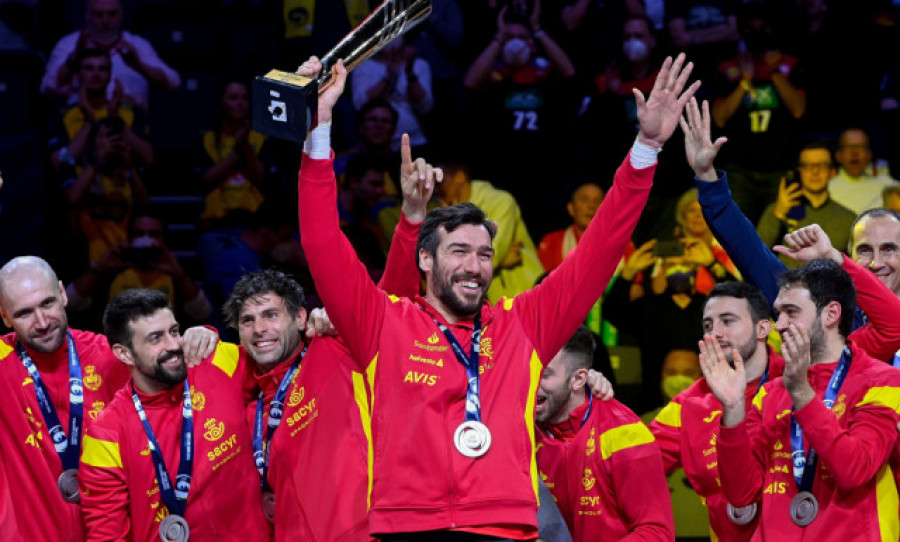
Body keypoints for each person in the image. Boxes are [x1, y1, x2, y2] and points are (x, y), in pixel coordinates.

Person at [296, 51, 698, 539]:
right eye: (459, 252)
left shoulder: (521, 324)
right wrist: (318, 131)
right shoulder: (385, 322)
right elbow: (321, 242)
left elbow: (600, 248)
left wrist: (646, 148)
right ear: (426, 259)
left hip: (504, 528)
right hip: (407, 527)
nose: (474, 267)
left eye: (485, 255)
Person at [0, 256, 216, 541]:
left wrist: (204, 336)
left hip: (116, 530)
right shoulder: (3, 362)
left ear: (64, 294)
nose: (41, 322)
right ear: (4, 317)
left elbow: (178, 366)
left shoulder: (110, 354)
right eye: (24, 313)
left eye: (48, 303)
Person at [684, 97, 900, 363]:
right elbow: (751, 253)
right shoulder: (825, 317)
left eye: (889, 249)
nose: (876, 262)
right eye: (864, 250)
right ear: (849, 256)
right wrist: (707, 177)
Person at [702, 257, 900, 539]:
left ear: (831, 314)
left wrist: (802, 394)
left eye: (791, 312)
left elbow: (853, 470)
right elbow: (742, 495)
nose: (779, 325)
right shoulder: (770, 393)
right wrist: (733, 410)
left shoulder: (883, 382)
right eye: (778, 313)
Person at [79, 289, 268, 541]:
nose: (173, 345)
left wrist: (321, 323)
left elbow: (282, 365)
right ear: (124, 353)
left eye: (174, 331)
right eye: (155, 339)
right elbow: (106, 533)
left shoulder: (216, 362)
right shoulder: (105, 434)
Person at [650, 281, 782, 541]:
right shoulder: (689, 405)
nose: (715, 333)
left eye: (727, 321)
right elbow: (628, 464)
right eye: (708, 325)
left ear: (762, 327)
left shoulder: (801, 383)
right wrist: (597, 403)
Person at [535, 326, 674, 540]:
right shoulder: (521, 427)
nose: (532, 383)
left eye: (544, 374)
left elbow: (656, 533)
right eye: (529, 370)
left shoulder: (625, 435)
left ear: (579, 379)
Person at [710, 3, 805, 224]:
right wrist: (745, 80)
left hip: (779, 168)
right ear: (742, 32)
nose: (758, 34)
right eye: (751, 29)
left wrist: (774, 73)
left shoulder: (790, 65)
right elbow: (720, 117)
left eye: (764, 28)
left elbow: (798, 110)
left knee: (779, 227)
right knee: (738, 229)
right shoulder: (727, 69)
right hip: (739, 171)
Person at [65, 213, 213, 326]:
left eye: (153, 234)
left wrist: (180, 274)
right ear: (129, 238)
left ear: (163, 239)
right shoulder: (112, 271)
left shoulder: (175, 274)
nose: (146, 239)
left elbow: (203, 313)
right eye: (139, 233)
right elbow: (70, 303)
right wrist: (99, 268)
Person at [436, 158, 544, 302]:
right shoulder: (445, 215)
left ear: (460, 177)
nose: (437, 190)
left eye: (440, 182)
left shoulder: (500, 201)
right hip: (489, 303)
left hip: (525, 294)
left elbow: (493, 253)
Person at [40, 0, 180, 111]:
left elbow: (173, 82)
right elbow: (48, 86)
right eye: (98, 14)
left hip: (131, 121)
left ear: (121, 16)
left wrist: (138, 65)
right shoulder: (68, 44)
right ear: (87, 16)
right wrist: (76, 55)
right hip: (81, 122)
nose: (105, 20)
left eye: (111, 14)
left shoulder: (137, 45)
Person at [62, 115, 150, 264]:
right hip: (88, 259)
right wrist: (98, 159)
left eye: (117, 137)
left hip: (122, 257)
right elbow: (73, 198)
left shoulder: (129, 176)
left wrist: (129, 166)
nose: (113, 141)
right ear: (93, 141)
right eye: (107, 137)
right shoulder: (79, 172)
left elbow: (145, 206)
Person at [49, 47, 153, 173]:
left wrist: (115, 117)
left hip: (123, 190)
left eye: (102, 69)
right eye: (89, 69)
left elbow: (148, 159)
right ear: (78, 74)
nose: (96, 74)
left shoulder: (131, 113)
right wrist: (89, 122)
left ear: (110, 74)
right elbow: (60, 164)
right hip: (82, 190)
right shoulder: (62, 117)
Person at [756, 141, 856, 268]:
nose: (814, 171)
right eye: (807, 165)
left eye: (822, 165)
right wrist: (778, 216)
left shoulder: (849, 219)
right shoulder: (776, 210)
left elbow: (855, 271)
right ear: (799, 170)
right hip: (781, 285)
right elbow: (753, 259)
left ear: (833, 171)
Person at [198, 80, 271, 229]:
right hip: (216, 221)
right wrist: (237, 152)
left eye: (244, 98)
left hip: (254, 221)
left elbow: (262, 180)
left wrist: (246, 146)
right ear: (221, 103)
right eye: (233, 98)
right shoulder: (208, 139)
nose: (240, 103)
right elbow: (204, 181)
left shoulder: (261, 138)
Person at [352, 35, 434, 152]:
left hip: (414, 140)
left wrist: (409, 72)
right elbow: (361, 105)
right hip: (376, 145)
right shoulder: (364, 67)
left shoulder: (419, 65)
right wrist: (390, 74)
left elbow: (425, 107)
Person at [828, 128, 899, 215]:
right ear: (838, 155)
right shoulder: (826, 188)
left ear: (869, 154)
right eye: (848, 147)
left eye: (860, 146)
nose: (854, 152)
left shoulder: (886, 184)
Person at [537, 183, 602, 272]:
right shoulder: (552, 242)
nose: (591, 206)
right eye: (584, 200)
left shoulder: (621, 244)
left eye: (597, 201)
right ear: (571, 208)